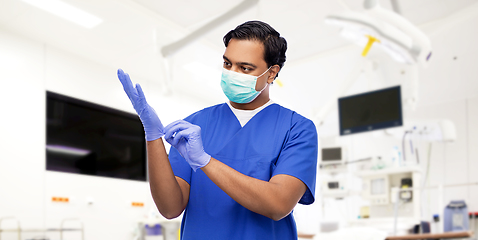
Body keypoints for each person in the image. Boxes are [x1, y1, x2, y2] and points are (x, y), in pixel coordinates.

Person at [117, 20, 318, 240]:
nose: (232, 73)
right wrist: (152, 136)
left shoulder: (297, 129)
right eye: (227, 64)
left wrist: (205, 160)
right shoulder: (195, 124)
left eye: (245, 68)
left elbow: (278, 204)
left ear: (271, 73)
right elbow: (169, 208)